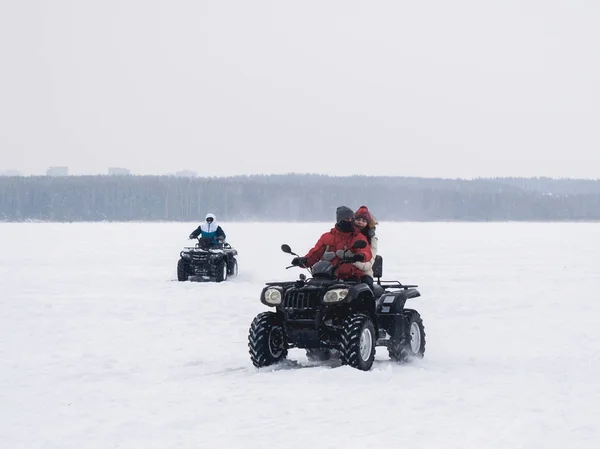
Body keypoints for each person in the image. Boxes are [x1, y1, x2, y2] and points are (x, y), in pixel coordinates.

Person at [292, 206, 372, 281]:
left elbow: (366, 251)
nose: (350, 221)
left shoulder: (357, 236)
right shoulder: (327, 237)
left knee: (357, 291)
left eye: (352, 219)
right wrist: (304, 261)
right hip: (328, 275)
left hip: (352, 276)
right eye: (347, 219)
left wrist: (360, 256)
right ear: (340, 219)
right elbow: (315, 253)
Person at [351, 205, 378, 287]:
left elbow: (369, 263)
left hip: (364, 273)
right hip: (344, 272)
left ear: (368, 223)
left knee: (365, 289)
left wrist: (352, 260)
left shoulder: (372, 239)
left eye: (364, 221)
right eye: (358, 219)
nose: (360, 222)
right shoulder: (347, 235)